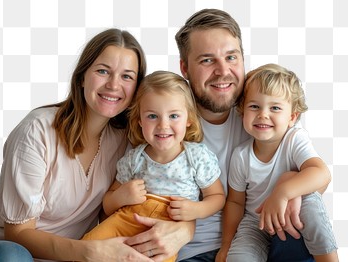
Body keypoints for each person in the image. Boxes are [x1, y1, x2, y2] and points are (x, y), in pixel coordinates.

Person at [0, 28, 193, 262]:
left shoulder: (128, 140)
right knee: (12, 256)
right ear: (82, 76)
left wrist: (185, 230)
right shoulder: (37, 131)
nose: (113, 85)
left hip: (74, 256)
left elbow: (158, 191)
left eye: (127, 76)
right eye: (103, 71)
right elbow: (17, 234)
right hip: (4, 254)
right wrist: (90, 252)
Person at [174, 9, 330, 262]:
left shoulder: (262, 110)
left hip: (270, 231)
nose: (222, 71)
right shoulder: (169, 121)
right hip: (196, 250)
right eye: (207, 60)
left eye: (231, 57)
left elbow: (319, 178)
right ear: (185, 67)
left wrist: (288, 185)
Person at [82, 70, 226, 262]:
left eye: (174, 116)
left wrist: (196, 210)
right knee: (89, 246)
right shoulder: (134, 158)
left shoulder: (197, 157)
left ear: (189, 119)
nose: (163, 125)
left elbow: (217, 197)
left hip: (168, 229)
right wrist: (120, 196)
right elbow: (108, 204)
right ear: (139, 120)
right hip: (127, 220)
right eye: (152, 116)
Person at [216, 63, 338, 262]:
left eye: (275, 108)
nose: (263, 114)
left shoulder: (294, 139)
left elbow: (321, 173)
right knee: (238, 257)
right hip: (256, 222)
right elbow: (235, 202)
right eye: (254, 106)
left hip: (293, 213)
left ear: (292, 117)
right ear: (242, 112)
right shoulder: (240, 156)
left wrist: (282, 193)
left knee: (311, 203)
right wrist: (226, 244)